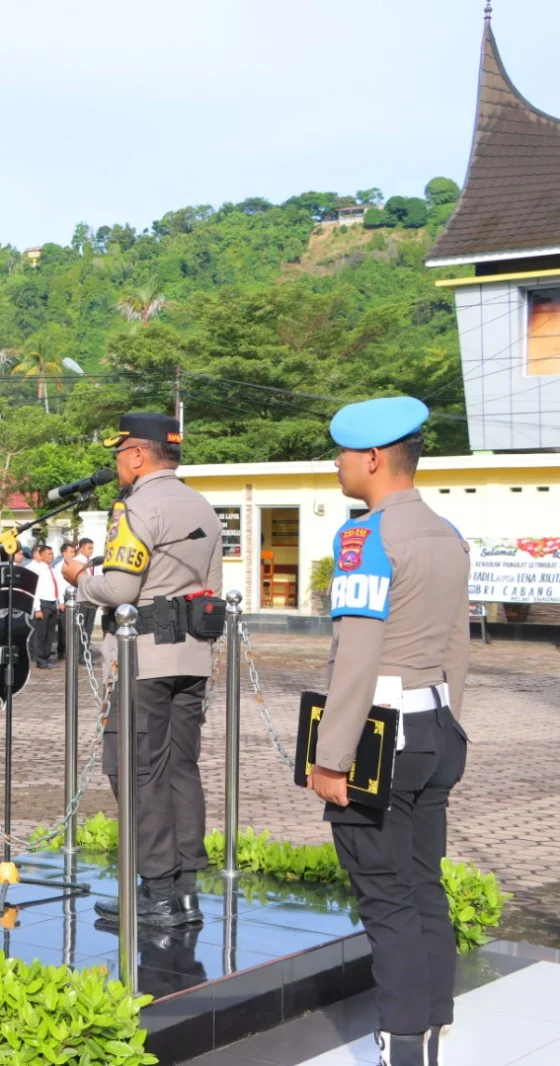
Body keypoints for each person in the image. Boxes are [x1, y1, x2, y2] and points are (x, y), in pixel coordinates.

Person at [309, 397, 468, 1066]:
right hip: (437, 724)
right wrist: (451, 725)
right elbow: (458, 644)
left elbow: (358, 656)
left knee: (386, 899)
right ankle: (431, 1032)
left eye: (344, 453)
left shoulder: (364, 537)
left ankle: (400, 1046)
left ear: (373, 459)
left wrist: (331, 757)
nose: (339, 464)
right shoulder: (446, 532)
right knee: (424, 884)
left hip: (383, 734)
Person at [63, 412, 223, 928]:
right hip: (193, 657)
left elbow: (121, 589)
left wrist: (81, 578)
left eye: (119, 453)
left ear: (137, 454)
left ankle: (155, 892)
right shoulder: (202, 506)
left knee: (135, 769)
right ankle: (185, 893)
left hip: (145, 659)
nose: (117, 463)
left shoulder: (137, 507)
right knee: (180, 768)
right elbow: (211, 588)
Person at [28, 543, 63, 670]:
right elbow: (34, 590)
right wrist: (37, 608)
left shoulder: (52, 570)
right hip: (43, 603)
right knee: (41, 634)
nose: (51, 556)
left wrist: (60, 602)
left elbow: (57, 587)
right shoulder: (37, 570)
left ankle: (47, 657)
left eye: (52, 553)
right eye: (48, 554)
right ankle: (40, 659)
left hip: (53, 603)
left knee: (50, 633)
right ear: (41, 556)